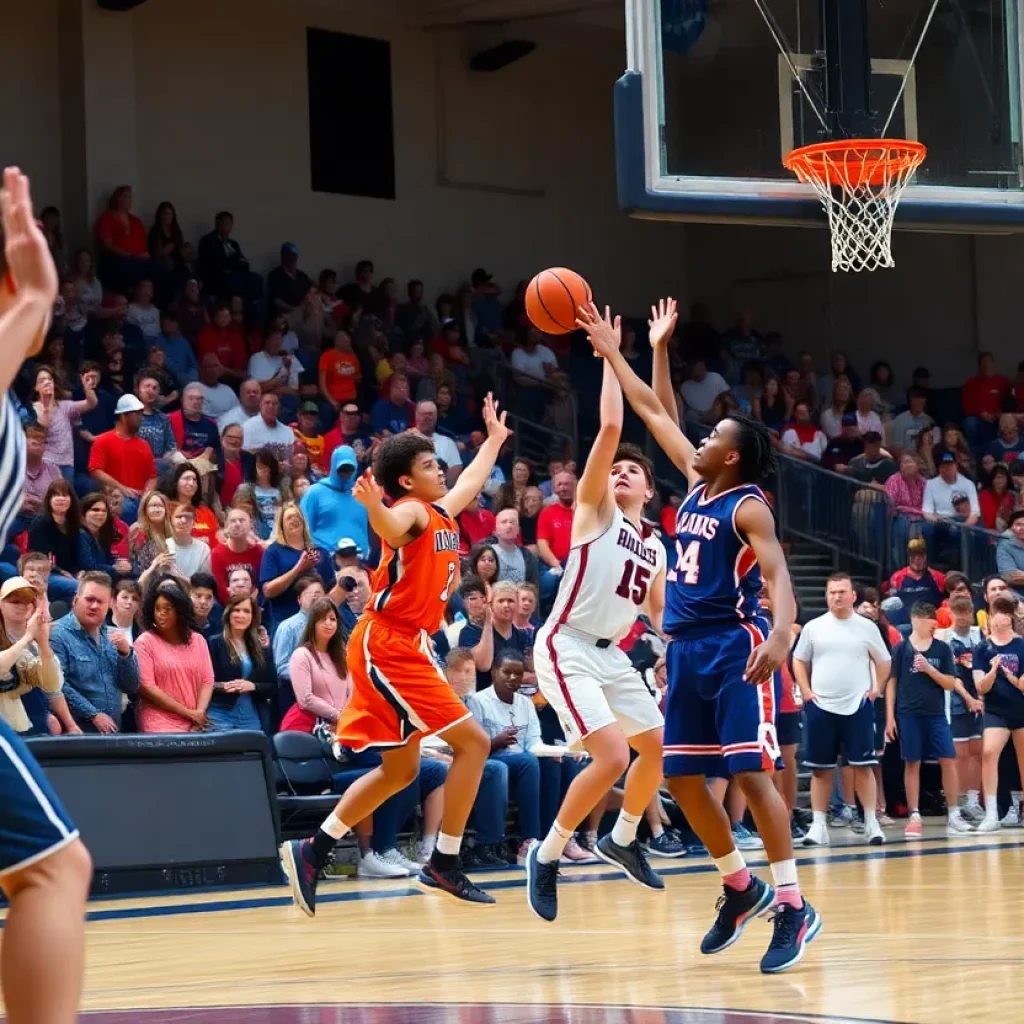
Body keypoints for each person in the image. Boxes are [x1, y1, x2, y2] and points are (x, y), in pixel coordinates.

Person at [581, 297, 818, 974]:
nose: (703, 440)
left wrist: (782, 632)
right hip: (685, 650)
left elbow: (776, 575)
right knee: (684, 780)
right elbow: (658, 412)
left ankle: (795, 905)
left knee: (749, 770)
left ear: (735, 456)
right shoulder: (697, 485)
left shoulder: (747, 506)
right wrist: (642, 351)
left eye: (715, 436)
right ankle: (742, 888)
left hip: (734, 644)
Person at [279, 393, 511, 915]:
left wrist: (494, 441)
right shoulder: (410, 510)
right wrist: (373, 508)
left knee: (401, 771)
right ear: (407, 481)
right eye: (430, 466)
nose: (442, 471)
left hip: (405, 644)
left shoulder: (440, 512)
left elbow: (472, 480)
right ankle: (444, 864)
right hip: (389, 644)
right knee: (474, 744)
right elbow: (389, 525)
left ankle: (311, 850)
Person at [526, 306, 669, 922]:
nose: (619, 472)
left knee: (657, 747)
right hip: (567, 644)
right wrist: (612, 355)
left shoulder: (657, 544)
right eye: (615, 469)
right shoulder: (594, 511)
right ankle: (549, 854)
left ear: (649, 491)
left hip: (614, 655)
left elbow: (662, 613)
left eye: (632, 471)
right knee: (611, 756)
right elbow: (612, 425)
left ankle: (623, 837)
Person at [791, 573, 891, 848]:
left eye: (842, 591)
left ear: (853, 595)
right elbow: (799, 660)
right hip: (821, 706)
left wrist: (875, 689)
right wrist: (807, 691)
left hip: (857, 706)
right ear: (826, 595)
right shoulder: (813, 627)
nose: (837, 596)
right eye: (832, 591)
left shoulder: (867, 627)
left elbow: (884, 661)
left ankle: (871, 821)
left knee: (863, 766)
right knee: (820, 769)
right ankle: (819, 825)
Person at [885, 602, 974, 837]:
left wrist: (929, 670)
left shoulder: (942, 649)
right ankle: (914, 814)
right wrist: (889, 718)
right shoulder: (901, 649)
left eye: (934, 620)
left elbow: (949, 683)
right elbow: (892, 682)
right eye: (929, 620)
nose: (933, 624)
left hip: (936, 714)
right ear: (915, 620)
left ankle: (954, 813)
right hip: (908, 714)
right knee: (912, 762)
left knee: (948, 759)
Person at [134, 578, 214, 733]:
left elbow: (207, 680)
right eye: (157, 609)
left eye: (167, 608)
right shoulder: (144, 642)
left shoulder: (198, 640)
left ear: (180, 610)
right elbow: (148, 688)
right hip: (158, 722)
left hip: (195, 720)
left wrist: (199, 713)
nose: (161, 614)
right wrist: (190, 714)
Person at [972, 596, 1024, 831]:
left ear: (1010, 617)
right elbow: (981, 687)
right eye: (994, 612)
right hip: (996, 710)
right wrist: (993, 670)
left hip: (1020, 709)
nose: (997, 618)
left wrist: (1010, 674)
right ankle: (991, 813)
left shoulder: (1021, 645)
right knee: (989, 753)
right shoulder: (983, 647)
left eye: (1003, 613)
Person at [936, 595, 986, 824]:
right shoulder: (945, 638)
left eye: (967, 612)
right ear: (951, 614)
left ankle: (974, 802)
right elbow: (950, 676)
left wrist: (981, 697)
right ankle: (958, 801)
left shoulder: (980, 635)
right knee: (959, 754)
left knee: (978, 751)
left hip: (980, 698)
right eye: (959, 612)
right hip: (956, 700)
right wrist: (967, 697)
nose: (964, 617)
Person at [207, 595, 276, 731]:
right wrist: (223, 686)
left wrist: (253, 686)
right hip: (219, 714)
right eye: (236, 610)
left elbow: (273, 686)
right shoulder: (214, 643)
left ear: (252, 617)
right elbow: (202, 682)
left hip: (250, 716)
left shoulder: (261, 647)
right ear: (228, 613)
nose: (241, 615)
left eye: (246, 611)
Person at [283, 598, 352, 733]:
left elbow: (352, 692)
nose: (328, 623)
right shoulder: (302, 655)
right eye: (322, 619)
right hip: (308, 728)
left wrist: (345, 717)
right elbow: (305, 699)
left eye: (332, 619)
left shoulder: (344, 656)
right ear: (312, 623)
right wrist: (337, 715)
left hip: (342, 727)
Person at [259, 503, 334, 626]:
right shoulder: (274, 552)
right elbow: (268, 590)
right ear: (281, 525)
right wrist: (299, 568)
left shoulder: (320, 552)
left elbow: (330, 588)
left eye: (297, 517)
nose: (294, 520)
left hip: (317, 620)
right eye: (289, 518)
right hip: (284, 619)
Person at [299, 445, 369, 556]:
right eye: (341, 469)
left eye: (350, 469)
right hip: (326, 560)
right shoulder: (315, 492)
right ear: (333, 467)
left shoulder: (362, 494)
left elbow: (365, 529)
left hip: (359, 560)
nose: (345, 473)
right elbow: (303, 529)